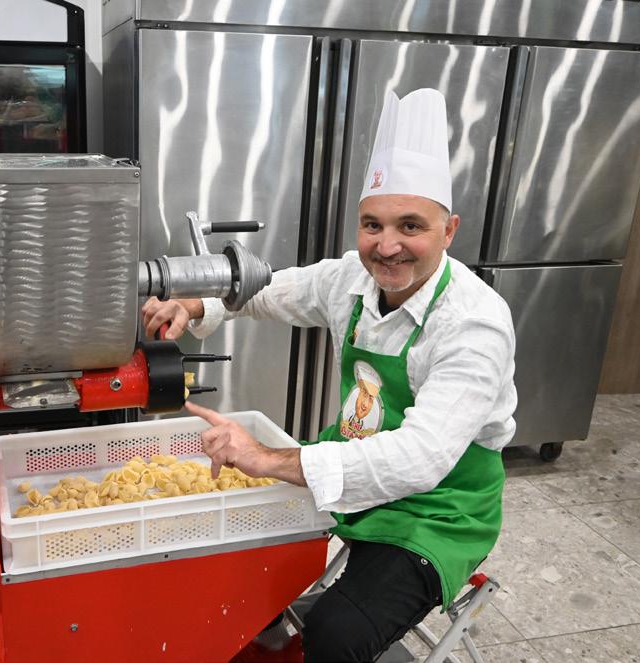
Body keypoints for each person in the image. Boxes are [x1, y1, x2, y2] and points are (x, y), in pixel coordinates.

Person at [142, 89, 517, 663]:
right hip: (353, 461)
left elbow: (420, 459)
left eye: (410, 226)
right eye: (372, 224)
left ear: (449, 231)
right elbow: (271, 290)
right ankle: (260, 631)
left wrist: (264, 458)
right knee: (229, 544)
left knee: (339, 633)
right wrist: (194, 305)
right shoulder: (352, 277)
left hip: (439, 508)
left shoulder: (473, 323)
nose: (386, 246)